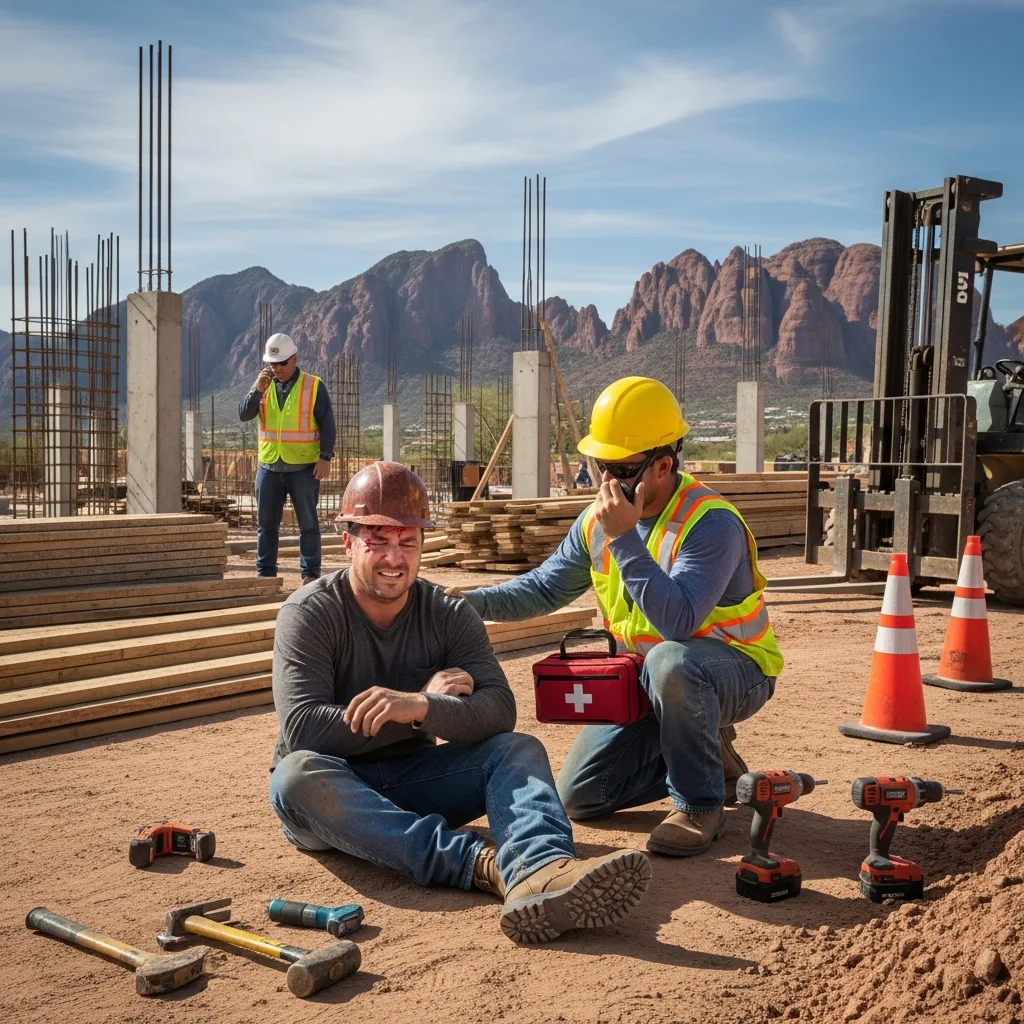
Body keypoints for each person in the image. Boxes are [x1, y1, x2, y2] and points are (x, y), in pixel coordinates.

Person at [267, 461, 652, 943]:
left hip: (416, 779)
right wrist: (419, 706)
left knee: (516, 748)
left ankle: (543, 870)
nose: (394, 557)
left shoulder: (447, 612)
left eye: (408, 542)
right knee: (295, 776)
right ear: (348, 541)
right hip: (336, 798)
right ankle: (479, 865)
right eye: (378, 540)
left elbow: (497, 709)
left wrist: (422, 709)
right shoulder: (310, 613)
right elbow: (303, 729)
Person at [447, 377, 783, 857]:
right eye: (600, 466)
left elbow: (678, 624)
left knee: (672, 661)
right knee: (582, 796)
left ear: (663, 465)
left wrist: (625, 538)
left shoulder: (710, 523)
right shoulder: (596, 522)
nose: (606, 481)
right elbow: (544, 588)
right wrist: (474, 602)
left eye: (620, 469)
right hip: (651, 682)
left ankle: (700, 803)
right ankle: (709, 752)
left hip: (733, 673)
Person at [238, 333, 336, 584]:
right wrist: (256, 391)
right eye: (273, 364)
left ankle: (310, 574)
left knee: (308, 524)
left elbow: (328, 424)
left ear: (294, 359)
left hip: (303, 467)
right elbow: (244, 414)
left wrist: (325, 457)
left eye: (282, 363)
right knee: (266, 526)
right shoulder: (262, 386)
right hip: (269, 467)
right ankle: (265, 573)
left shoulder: (313, 385)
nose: (277, 369)